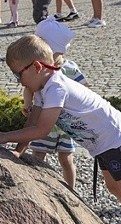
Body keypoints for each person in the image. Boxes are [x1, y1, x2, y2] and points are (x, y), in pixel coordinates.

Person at [0, 35, 121, 224]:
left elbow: (41, 130)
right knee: (115, 188)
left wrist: (3, 137)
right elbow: (32, 122)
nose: (20, 82)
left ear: (36, 67)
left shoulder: (56, 88)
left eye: (18, 75)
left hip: (115, 137)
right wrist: (18, 152)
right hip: (102, 144)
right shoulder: (42, 90)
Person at [23, 18, 87, 188]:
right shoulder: (36, 68)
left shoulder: (70, 68)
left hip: (65, 125)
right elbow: (28, 88)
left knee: (66, 158)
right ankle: (38, 186)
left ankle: (70, 189)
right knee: (38, 155)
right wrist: (27, 104)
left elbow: (84, 88)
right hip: (43, 120)